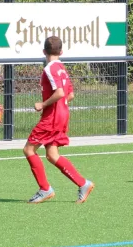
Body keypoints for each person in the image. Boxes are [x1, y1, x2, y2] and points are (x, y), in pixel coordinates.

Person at [23, 36, 94, 203]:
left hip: (52, 117)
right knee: (52, 154)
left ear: (43, 52)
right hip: (62, 114)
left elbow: (61, 93)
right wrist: (60, 106)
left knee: (29, 150)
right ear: (61, 52)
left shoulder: (50, 69)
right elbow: (71, 95)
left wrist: (43, 104)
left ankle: (45, 189)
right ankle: (83, 184)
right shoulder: (62, 67)